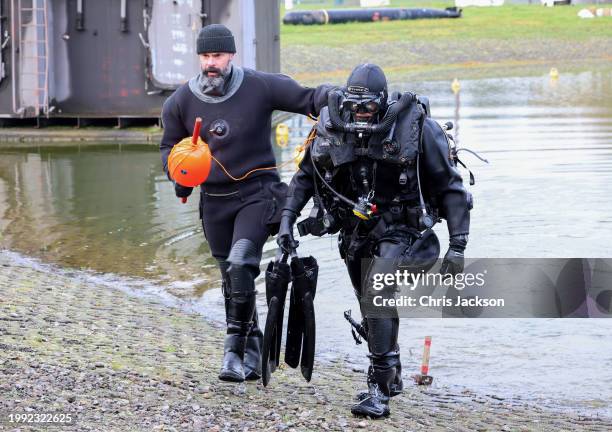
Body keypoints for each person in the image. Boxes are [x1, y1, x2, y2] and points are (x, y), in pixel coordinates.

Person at [277, 64, 472, 418]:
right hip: (355, 231)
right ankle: (392, 373)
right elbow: (305, 177)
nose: (361, 113)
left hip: (405, 229)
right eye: (355, 105)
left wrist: (458, 246)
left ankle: (379, 387)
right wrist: (288, 221)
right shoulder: (332, 124)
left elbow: (451, 187)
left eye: (368, 106)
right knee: (370, 306)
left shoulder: (417, 128)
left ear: (383, 102)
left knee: (376, 294)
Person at [160, 24, 331, 383]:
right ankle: (253, 346)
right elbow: (168, 148)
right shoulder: (179, 103)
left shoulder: (259, 87)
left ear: (231, 56)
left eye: (218, 56)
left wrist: (337, 96)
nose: (211, 63)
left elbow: (309, 99)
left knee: (241, 263)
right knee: (231, 277)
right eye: (206, 56)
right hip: (215, 203)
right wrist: (177, 174)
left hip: (258, 195)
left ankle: (232, 350)